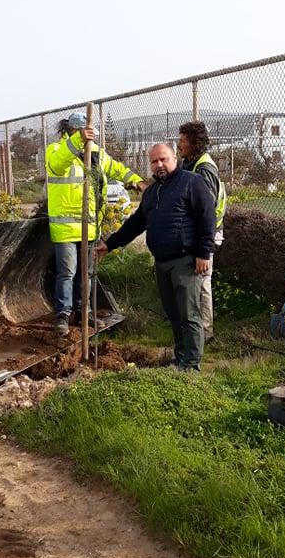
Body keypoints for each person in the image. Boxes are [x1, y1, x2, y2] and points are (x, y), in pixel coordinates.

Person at [96, 143, 215, 371]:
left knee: (189, 314)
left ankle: (191, 365)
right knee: (174, 313)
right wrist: (110, 244)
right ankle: (180, 358)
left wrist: (203, 253)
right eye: (154, 161)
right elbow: (136, 224)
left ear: (174, 158)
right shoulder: (152, 192)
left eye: (163, 159)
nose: (159, 164)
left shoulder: (192, 183)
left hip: (186, 261)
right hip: (162, 262)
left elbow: (207, 218)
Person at [45, 113, 145, 337]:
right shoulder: (56, 150)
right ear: (73, 132)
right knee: (67, 273)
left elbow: (116, 168)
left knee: (88, 273)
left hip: (89, 228)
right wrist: (78, 141)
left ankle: (84, 313)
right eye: (85, 136)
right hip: (65, 229)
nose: (90, 141)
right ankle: (63, 315)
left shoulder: (96, 154)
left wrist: (135, 179)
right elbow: (58, 164)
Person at [178, 121, 227, 344]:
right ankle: (195, 327)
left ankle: (205, 332)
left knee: (202, 283)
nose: (179, 144)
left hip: (205, 236)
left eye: (182, 140)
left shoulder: (204, 169)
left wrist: (202, 248)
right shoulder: (190, 164)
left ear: (194, 143)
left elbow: (206, 211)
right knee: (194, 283)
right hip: (195, 235)